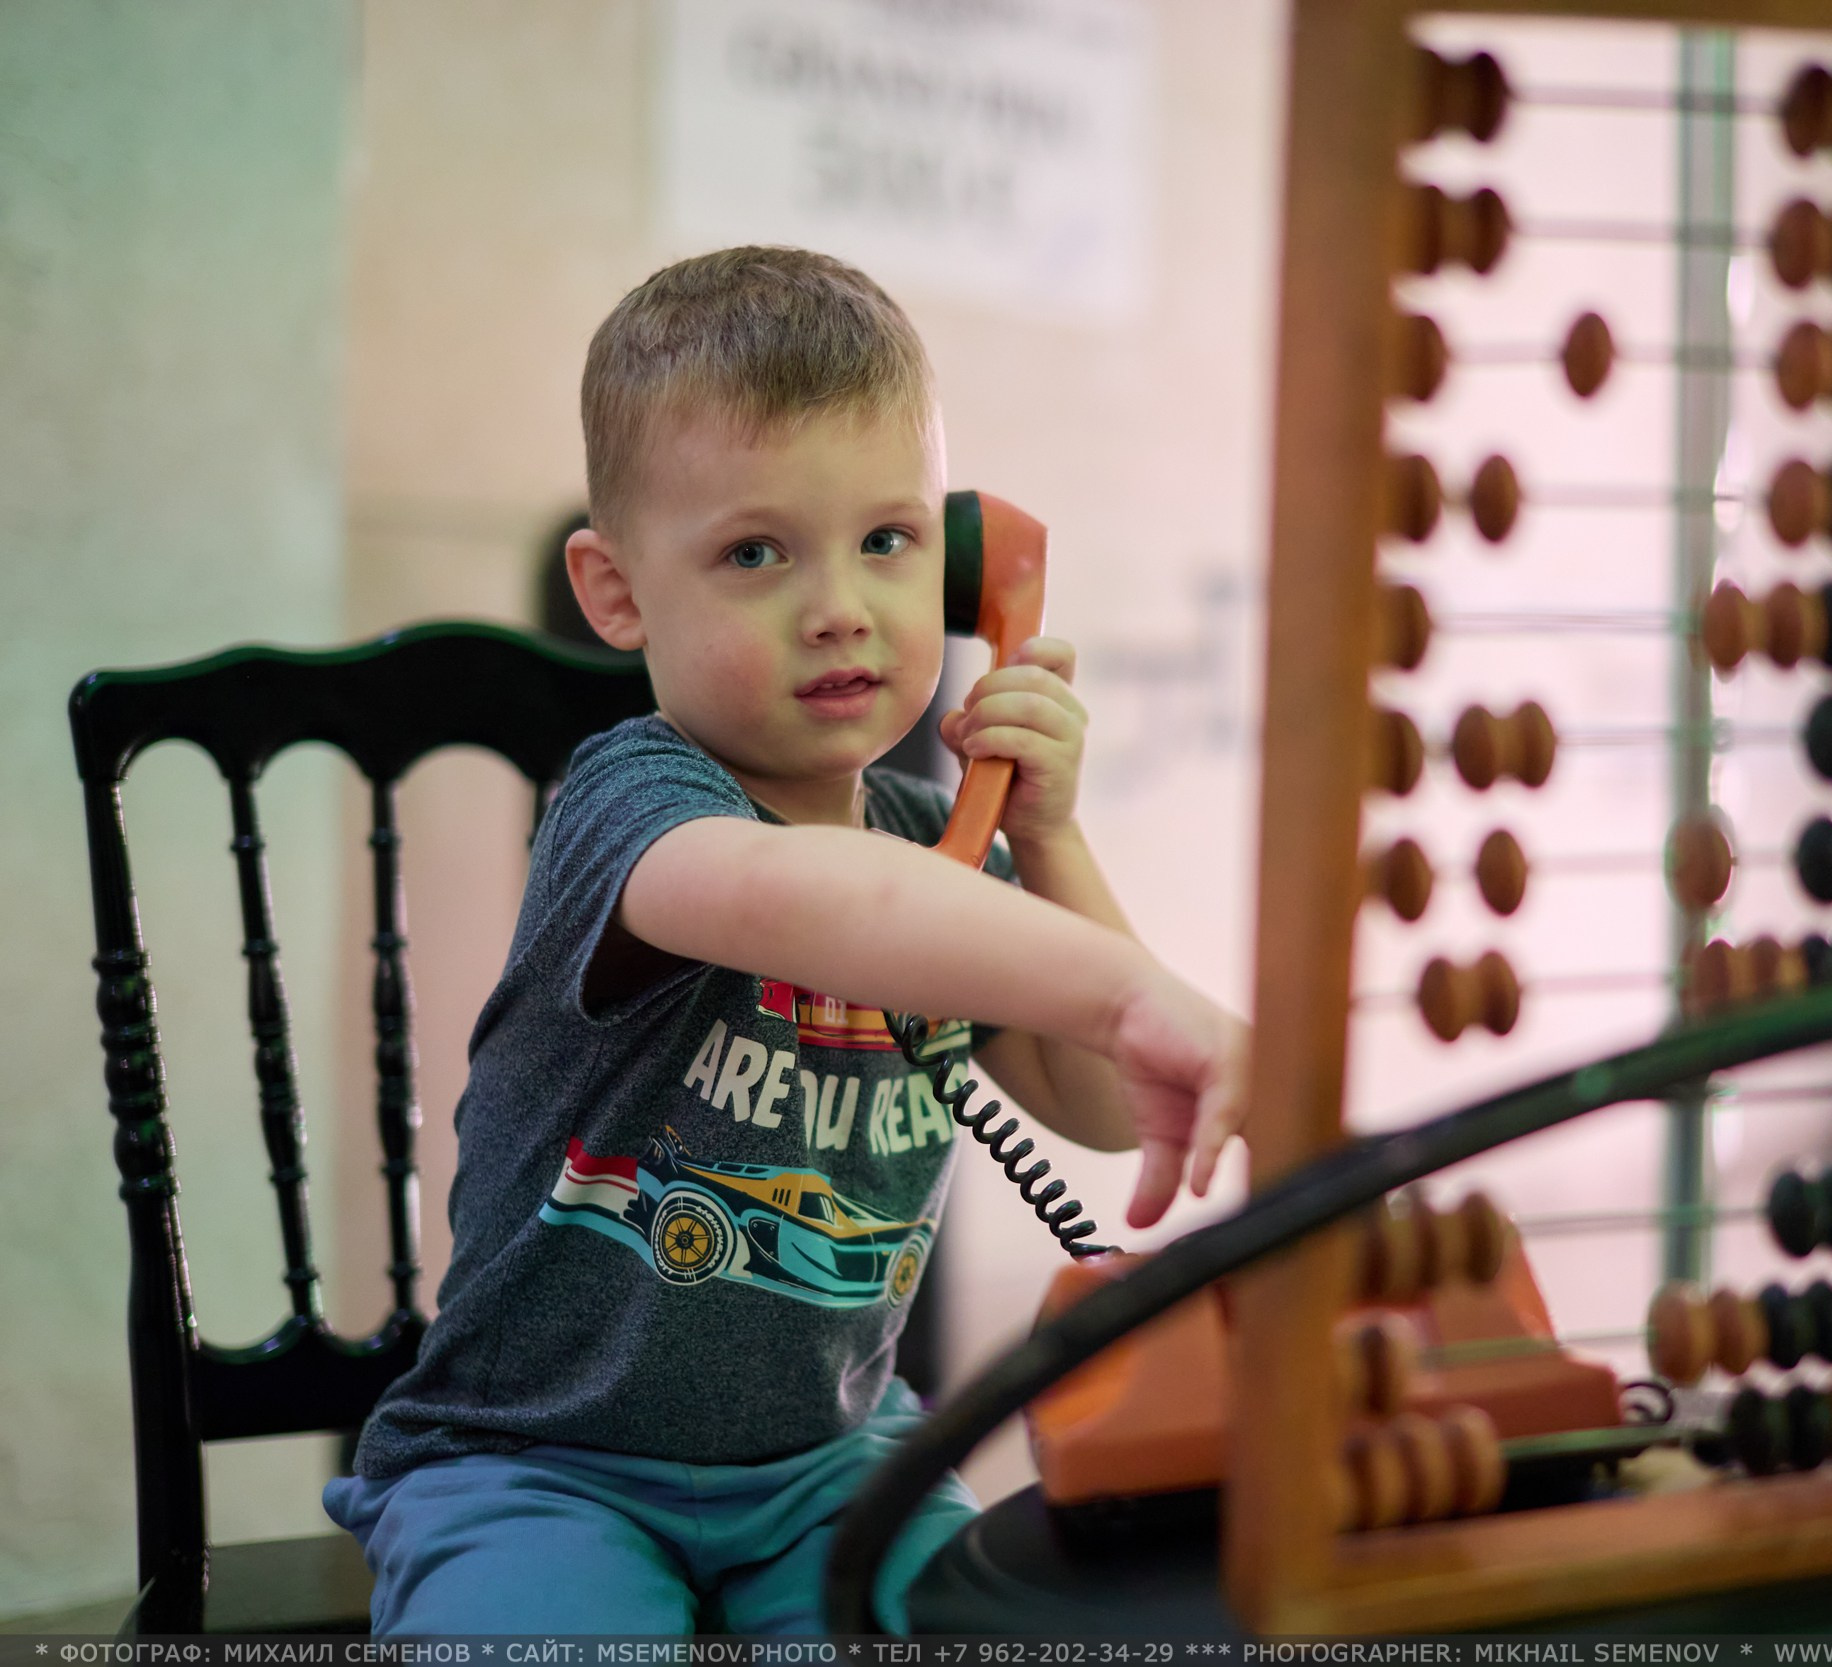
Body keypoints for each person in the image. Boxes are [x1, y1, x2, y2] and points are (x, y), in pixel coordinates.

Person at [323, 246, 1247, 1635]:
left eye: (889, 541)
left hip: (830, 1464)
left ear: (965, 572)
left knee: (983, 1633)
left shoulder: (945, 861)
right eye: (756, 553)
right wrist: (1124, 988)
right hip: (533, 1467)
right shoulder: (632, 805)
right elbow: (802, 898)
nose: (840, 609)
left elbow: (1109, 1109)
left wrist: (1047, 837)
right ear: (618, 592)